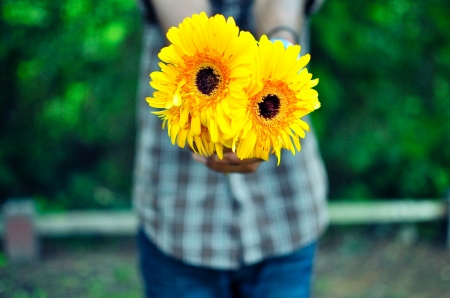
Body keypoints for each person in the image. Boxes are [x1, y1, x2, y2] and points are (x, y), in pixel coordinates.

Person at [133, 0, 328, 297]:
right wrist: (206, 118)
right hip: (178, 217)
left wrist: (278, 62)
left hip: (285, 211)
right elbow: (190, 32)